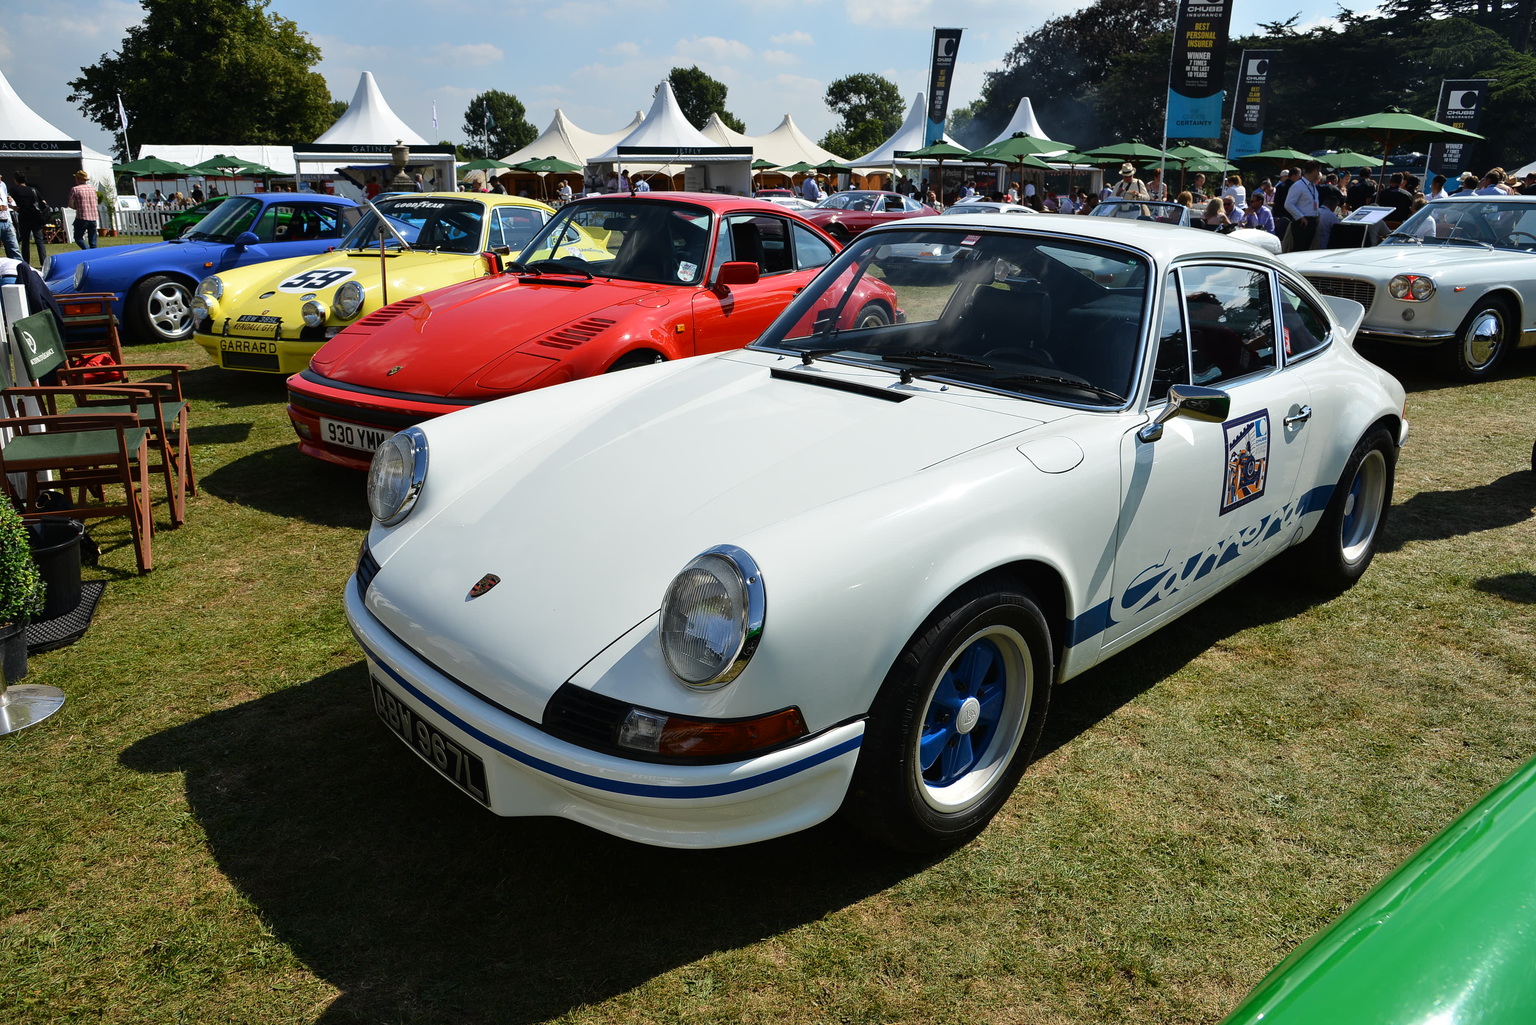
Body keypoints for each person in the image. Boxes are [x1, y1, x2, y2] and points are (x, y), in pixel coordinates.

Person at [1284, 160, 1324, 250]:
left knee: (1309, 250)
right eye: (1318, 171)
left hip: (1312, 222)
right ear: (1314, 171)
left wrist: (1317, 214)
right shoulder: (1298, 185)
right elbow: (1288, 204)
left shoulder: (1312, 185)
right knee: (1299, 249)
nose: (1319, 173)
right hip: (1302, 223)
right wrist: (1301, 217)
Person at [11, 173, 48, 266]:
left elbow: (11, 200)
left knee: (25, 241)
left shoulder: (15, 190)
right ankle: (43, 262)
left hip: (24, 217)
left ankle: (26, 263)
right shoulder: (33, 190)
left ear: (16, 180)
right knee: (39, 241)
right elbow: (43, 201)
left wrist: (13, 207)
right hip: (36, 217)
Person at [68, 168, 99, 249]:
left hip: (82, 217)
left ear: (78, 179)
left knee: (78, 237)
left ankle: (87, 251)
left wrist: (76, 207)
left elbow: (70, 204)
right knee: (93, 241)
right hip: (93, 217)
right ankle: (94, 254)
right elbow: (96, 202)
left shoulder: (75, 189)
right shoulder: (92, 189)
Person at [0, 172, 22, 260]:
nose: (1, 176)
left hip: (6, 221)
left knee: (14, 249)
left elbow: (5, 203)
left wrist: (9, 200)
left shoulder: (3, 185)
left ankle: (19, 271)